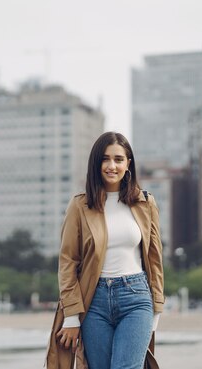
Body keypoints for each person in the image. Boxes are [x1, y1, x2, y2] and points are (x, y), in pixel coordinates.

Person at [46, 131, 164, 369]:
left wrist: (156, 311)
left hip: (137, 299)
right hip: (94, 302)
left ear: (128, 164)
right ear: (96, 163)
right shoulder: (80, 206)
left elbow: (154, 259)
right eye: (105, 159)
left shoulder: (145, 203)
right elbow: (68, 261)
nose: (112, 166)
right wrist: (71, 316)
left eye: (119, 159)